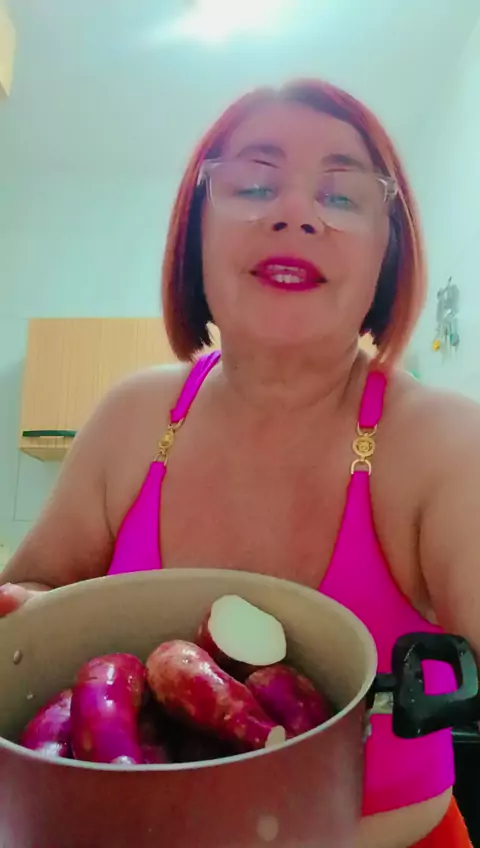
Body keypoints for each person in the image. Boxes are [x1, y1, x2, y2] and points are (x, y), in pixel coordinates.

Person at [0, 79, 477, 848]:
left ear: (388, 254)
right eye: (255, 184)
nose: (295, 213)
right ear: (196, 233)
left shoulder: (442, 438)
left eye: (342, 196)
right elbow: (34, 608)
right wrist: (24, 605)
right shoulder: (133, 416)